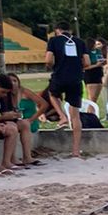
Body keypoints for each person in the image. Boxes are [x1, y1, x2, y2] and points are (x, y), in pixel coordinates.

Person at [45, 21, 90, 160]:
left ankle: (62, 116)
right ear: (70, 30)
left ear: (57, 30)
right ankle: (76, 150)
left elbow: (48, 60)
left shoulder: (54, 41)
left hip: (60, 76)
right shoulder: (80, 42)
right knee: (75, 115)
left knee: (52, 94)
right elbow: (87, 62)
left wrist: (52, 66)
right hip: (76, 79)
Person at [0, 74, 37, 167]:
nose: (5, 94)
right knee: (12, 127)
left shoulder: (4, 94)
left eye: (15, 81)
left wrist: (13, 114)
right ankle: (8, 160)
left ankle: (27, 156)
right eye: (11, 81)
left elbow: (6, 113)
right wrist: (2, 120)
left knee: (24, 124)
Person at [84, 38, 107, 108]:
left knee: (95, 98)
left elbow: (100, 58)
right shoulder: (87, 53)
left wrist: (103, 62)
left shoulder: (98, 51)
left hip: (99, 73)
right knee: (91, 97)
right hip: (90, 74)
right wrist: (96, 65)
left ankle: (92, 111)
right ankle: (90, 112)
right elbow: (85, 67)